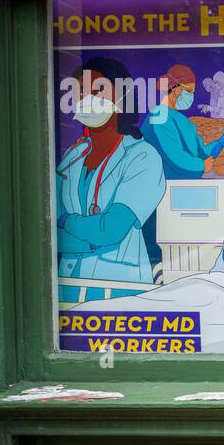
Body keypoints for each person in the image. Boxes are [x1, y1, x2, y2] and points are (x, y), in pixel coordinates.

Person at [56, 56, 166, 301]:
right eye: (82, 92)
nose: (89, 100)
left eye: (99, 91)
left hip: (119, 289)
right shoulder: (74, 155)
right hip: (67, 287)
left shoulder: (143, 157)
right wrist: (88, 239)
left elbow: (110, 230)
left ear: (122, 96)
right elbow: (47, 229)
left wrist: (66, 221)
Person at [141, 63, 224, 179]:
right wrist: (201, 166)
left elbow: (203, 152)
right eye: (189, 91)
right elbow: (174, 156)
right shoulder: (159, 116)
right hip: (165, 185)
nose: (191, 96)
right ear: (175, 88)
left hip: (185, 184)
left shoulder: (183, 121)